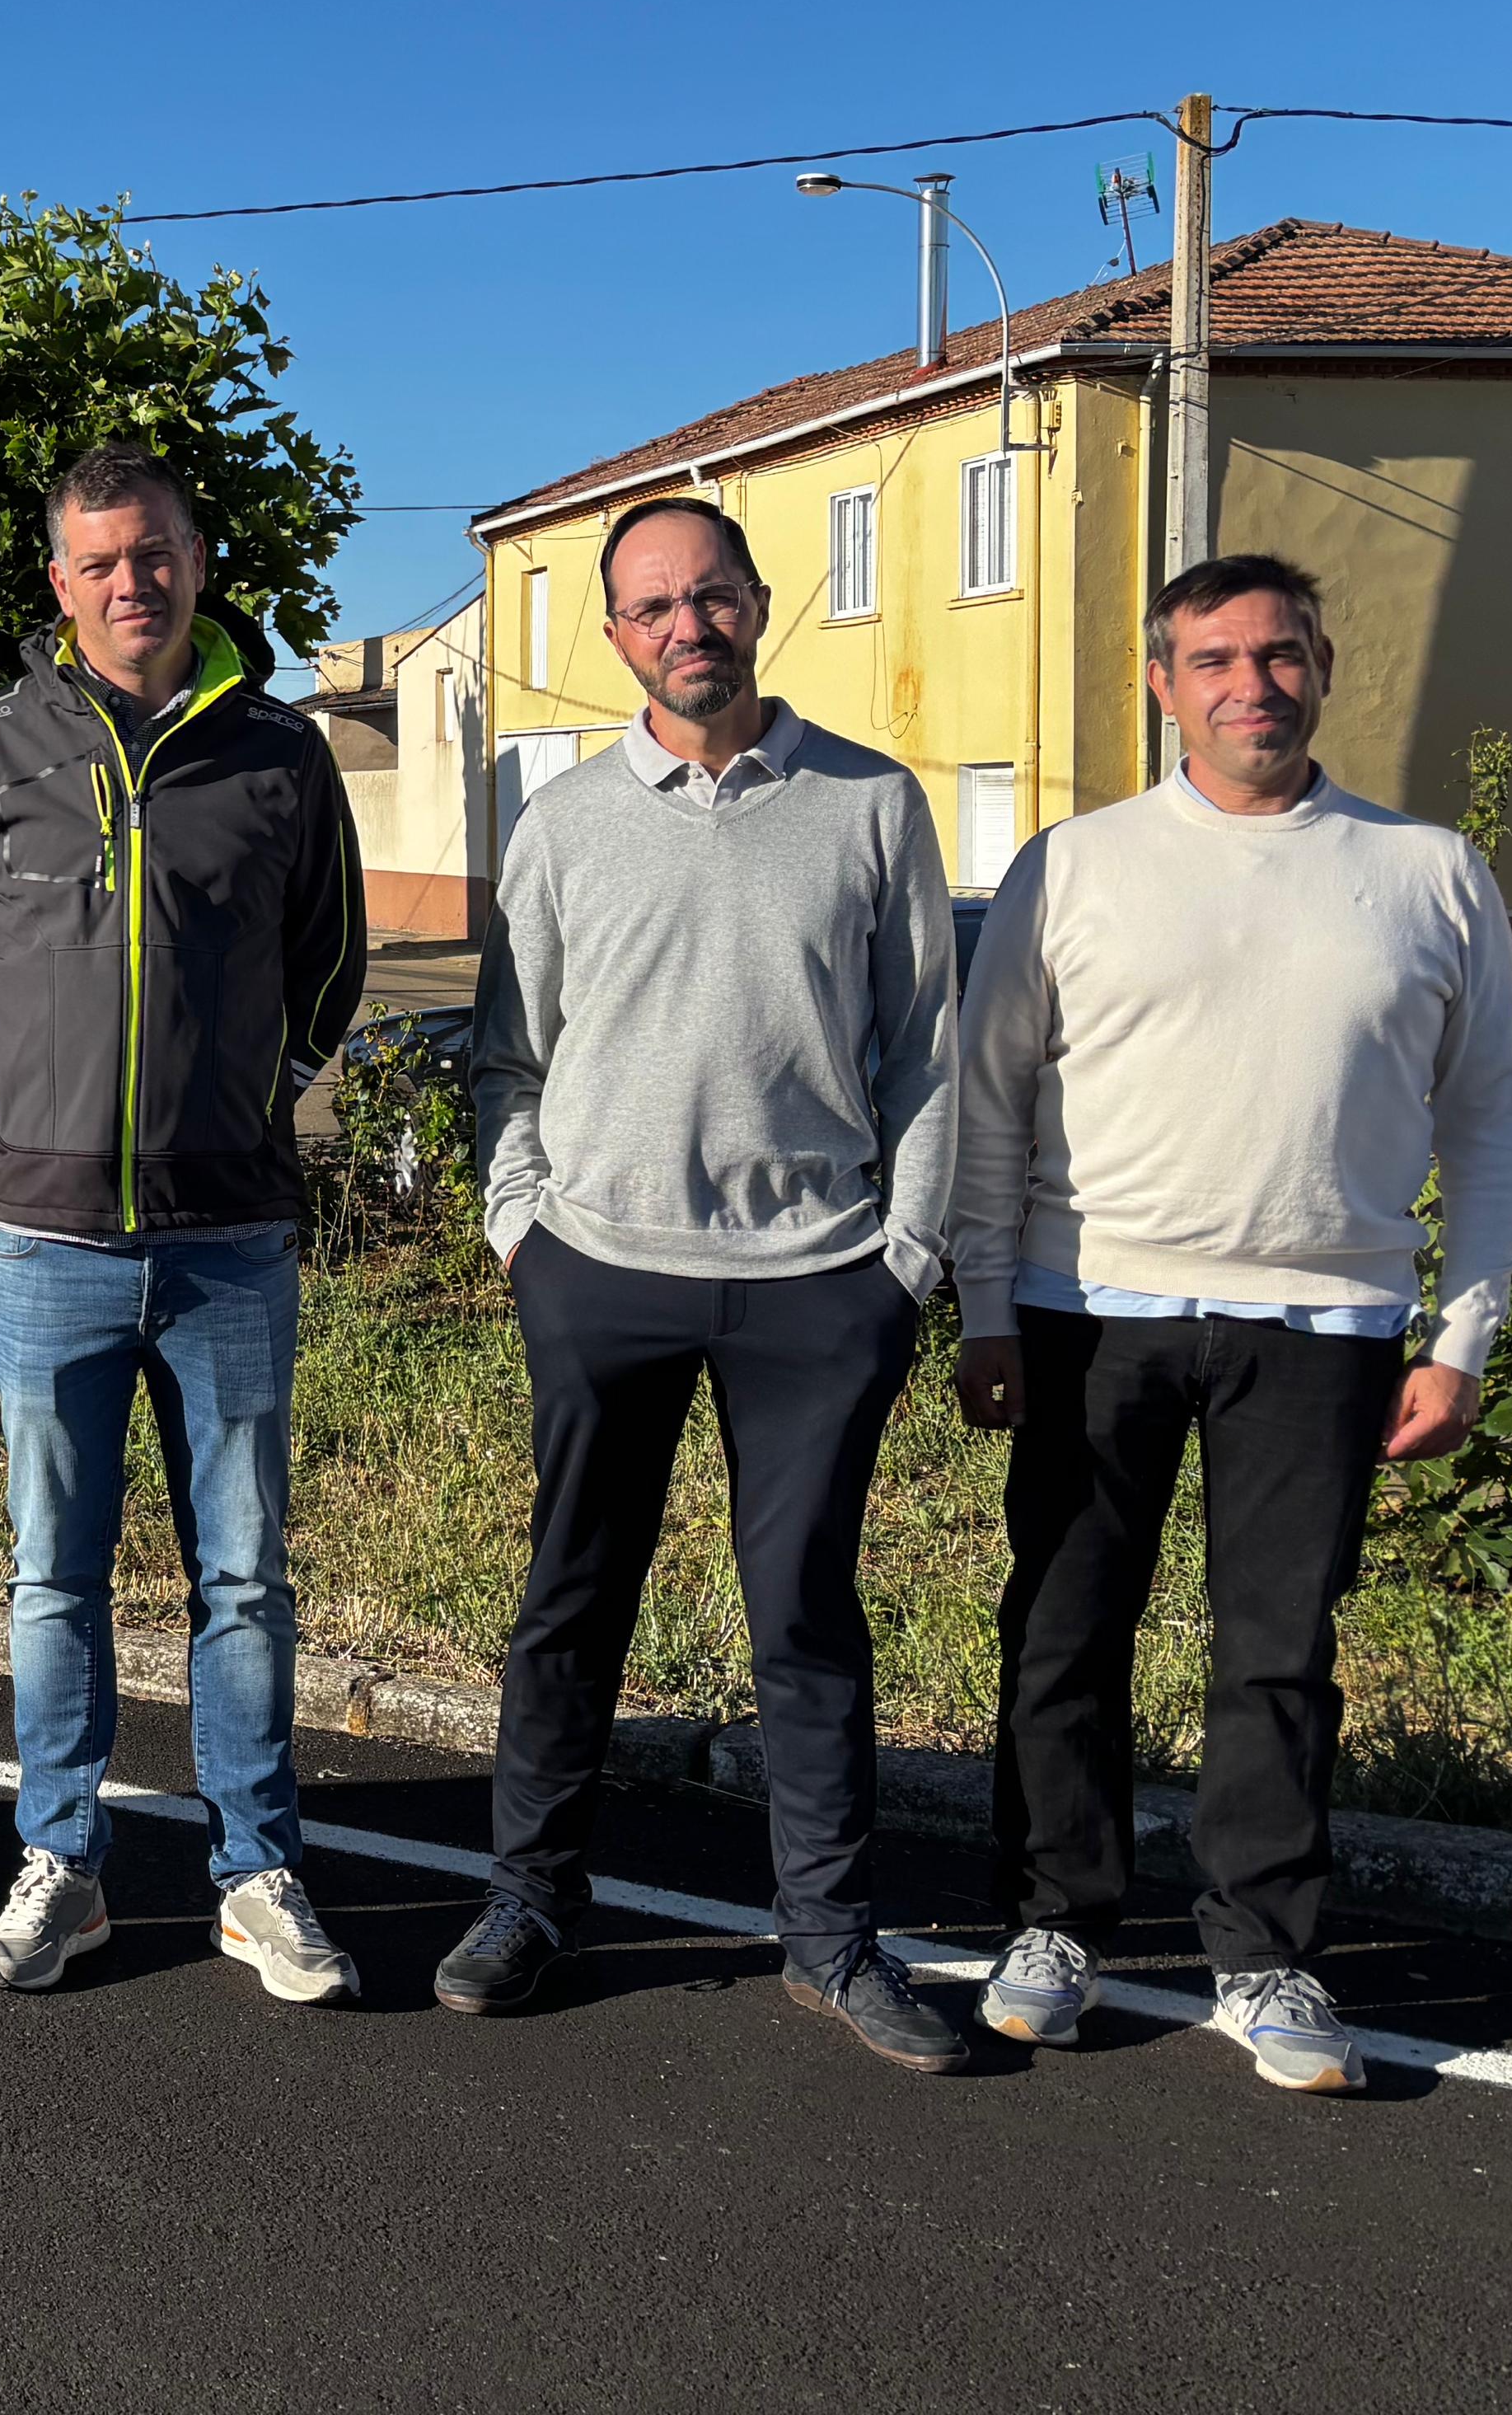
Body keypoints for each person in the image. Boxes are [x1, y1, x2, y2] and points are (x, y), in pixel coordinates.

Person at [956, 554, 1512, 2096]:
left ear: (1324, 668)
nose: (1249, 686)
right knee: (1065, 1635)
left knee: (1278, 1654)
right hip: (1093, 1310)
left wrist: (1461, 1338)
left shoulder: (1428, 873)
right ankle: (1053, 1922)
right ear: (1163, 685)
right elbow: (990, 1097)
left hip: (1327, 1322)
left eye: (1277, 656)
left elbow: (1490, 1123)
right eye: (1212, 660)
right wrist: (987, 1303)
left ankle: (1267, 1957)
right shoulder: (1073, 865)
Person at [438, 496, 962, 2065]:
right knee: (570, 1600)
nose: (689, 627)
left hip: (819, 1282)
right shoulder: (564, 826)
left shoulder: (872, 806)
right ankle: (529, 1898)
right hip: (600, 1269)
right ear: (617, 637)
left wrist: (909, 1263)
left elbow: (930, 1050)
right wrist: (522, 1229)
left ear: (759, 604)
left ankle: (832, 1939)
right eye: (654, 606)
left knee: (804, 1612)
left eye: (713, 596)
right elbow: (506, 1055)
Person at [0, 444, 370, 2000]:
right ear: (59, 583)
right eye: (98, 562)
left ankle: (256, 1865)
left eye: (154, 553)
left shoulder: (284, 758)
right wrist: (17, 1125)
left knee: (243, 1573)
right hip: (40, 1246)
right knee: (54, 1573)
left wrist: (245, 1115)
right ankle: (64, 1861)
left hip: (231, 1239)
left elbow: (334, 972)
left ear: (197, 560)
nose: (129, 584)